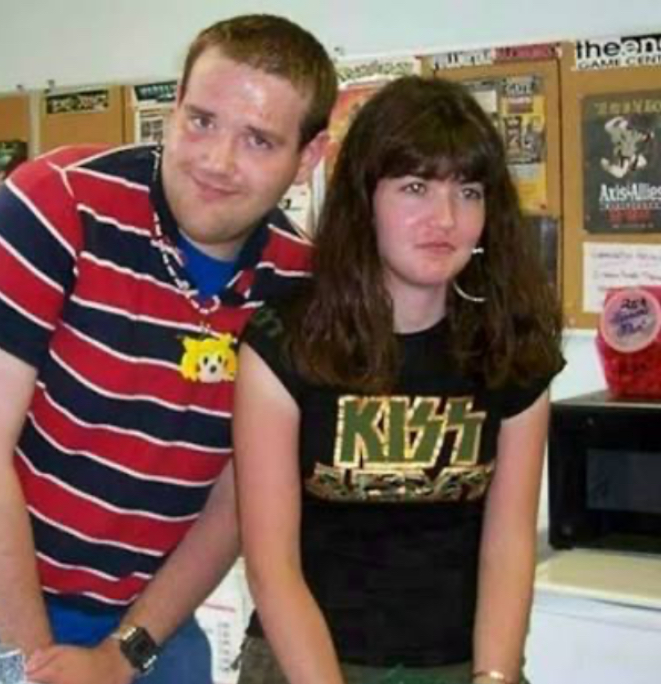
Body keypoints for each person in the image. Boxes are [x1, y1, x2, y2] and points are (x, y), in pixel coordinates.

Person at [0, 14, 337, 684]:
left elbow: (237, 501)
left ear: (308, 157)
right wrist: (39, 667)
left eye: (258, 140)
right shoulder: (53, 206)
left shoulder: (298, 285)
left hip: (140, 624)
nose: (217, 162)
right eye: (201, 121)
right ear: (173, 109)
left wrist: (122, 655)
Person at [233, 75, 565, 684]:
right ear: (365, 199)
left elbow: (509, 543)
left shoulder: (513, 343)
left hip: (461, 660)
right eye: (416, 187)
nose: (446, 218)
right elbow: (271, 566)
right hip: (309, 660)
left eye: (468, 191)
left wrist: (494, 677)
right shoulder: (283, 341)